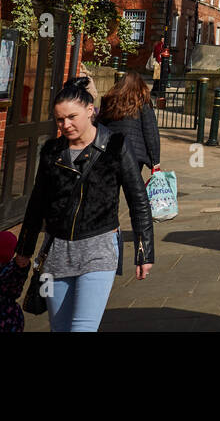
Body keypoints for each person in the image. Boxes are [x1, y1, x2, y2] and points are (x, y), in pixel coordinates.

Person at [14, 77, 155, 332]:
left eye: (72, 117)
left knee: (82, 329)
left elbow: (138, 200)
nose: (65, 125)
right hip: (57, 250)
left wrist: (144, 252)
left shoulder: (115, 146)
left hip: (98, 249)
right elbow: (37, 203)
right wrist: (24, 249)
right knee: (60, 327)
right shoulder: (52, 151)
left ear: (90, 111)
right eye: (59, 119)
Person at [98, 71, 162, 176]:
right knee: (133, 188)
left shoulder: (110, 100)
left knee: (112, 186)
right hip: (135, 154)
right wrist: (155, 161)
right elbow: (151, 132)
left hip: (112, 150)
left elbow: (100, 126)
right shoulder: (143, 102)